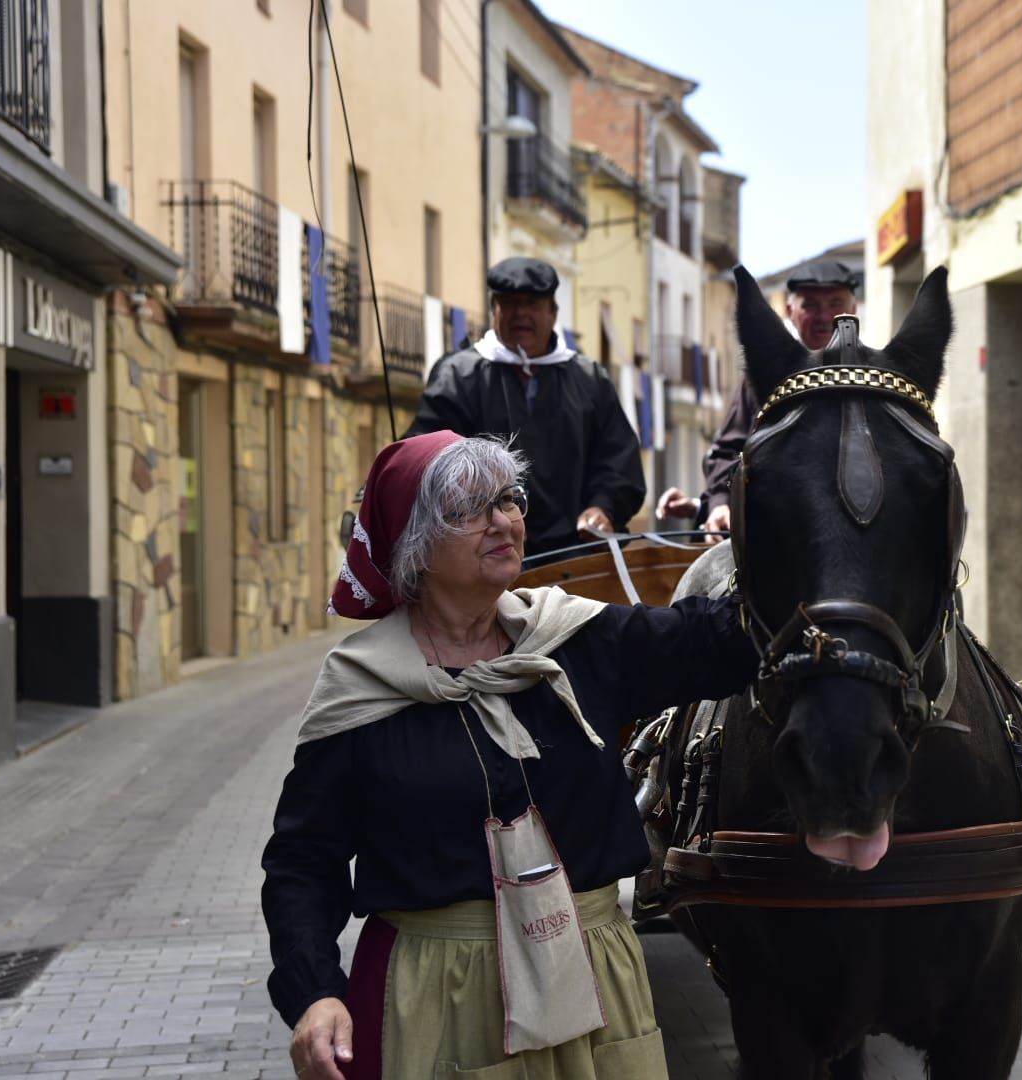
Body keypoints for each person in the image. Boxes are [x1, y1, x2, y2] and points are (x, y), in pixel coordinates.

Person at [263, 432, 754, 1079]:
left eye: (509, 499)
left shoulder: (576, 640)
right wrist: (315, 991)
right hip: (439, 998)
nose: (504, 520)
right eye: (470, 509)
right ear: (414, 542)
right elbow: (303, 861)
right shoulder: (361, 688)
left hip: (594, 983)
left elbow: (721, 640)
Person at [403, 257, 646, 556]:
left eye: (531, 303)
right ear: (494, 310)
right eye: (509, 303)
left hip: (576, 556)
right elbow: (430, 459)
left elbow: (619, 462)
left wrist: (603, 508)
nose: (520, 313)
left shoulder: (589, 379)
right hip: (484, 553)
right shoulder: (456, 377)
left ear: (553, 313)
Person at [655, 257, 859, 532]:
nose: (823, 316)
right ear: (790, 311)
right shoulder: (762, 379)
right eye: (810, 304)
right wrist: (717, 504)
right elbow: (729, 452)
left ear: (854, 310)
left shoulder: (874, 380)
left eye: (835, 304)